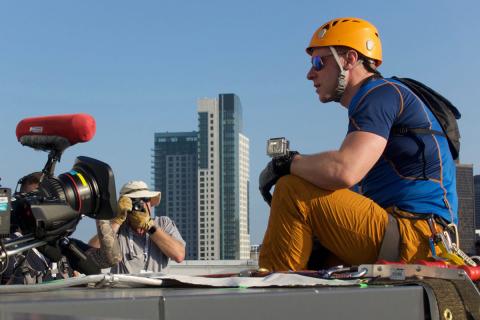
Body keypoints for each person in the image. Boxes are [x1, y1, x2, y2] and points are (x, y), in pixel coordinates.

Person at [258, 17, 458, 271]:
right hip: (412, 234)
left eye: (319, 62)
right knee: (317, 261)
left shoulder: (379, 94)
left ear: (350, 60)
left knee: (291, 189)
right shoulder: (381, 98)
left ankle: (272, 295)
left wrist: (288, 164)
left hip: (415, 235)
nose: (310, 74)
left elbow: (344, 170)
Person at [89, 180, 185, 274]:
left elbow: (179, 255)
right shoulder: (117, 227)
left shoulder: (163, 223)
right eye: (134, 201)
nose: (141, 205)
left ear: (150, 203)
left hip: (156, 289)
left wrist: (150, 226)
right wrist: (117, 221)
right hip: (122, 289)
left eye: (146, 199)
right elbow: (92, 251)